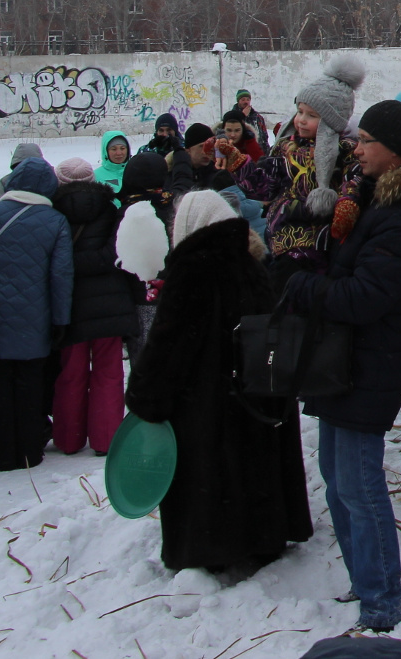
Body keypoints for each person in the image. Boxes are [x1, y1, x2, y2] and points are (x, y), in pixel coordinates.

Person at [281, 98, 401, 633]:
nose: (357, 147)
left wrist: (302, 285)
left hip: (372, 361)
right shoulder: (373, 197)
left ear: (394, 153)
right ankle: (365, 579)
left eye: (367, 140)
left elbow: (365, 297)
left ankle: (383, 600)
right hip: (345, 359)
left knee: (359, 482)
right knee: (335, 476)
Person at [124, 189, 312, 569]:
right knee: (249, 466)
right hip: (252, 401)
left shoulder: (193, 269)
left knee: (212, 475)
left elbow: (168, 344)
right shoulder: (252, 263)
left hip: (206, 403)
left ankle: (214, 547)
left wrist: (144, 395)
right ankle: (262, 537)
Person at [0, 156, 73, 471]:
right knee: (30, 386)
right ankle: (29, 451)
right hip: (35, 318)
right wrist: (60, 320)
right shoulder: (55, 221)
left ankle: (3, 453)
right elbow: (61, 276)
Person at [239, 55, 367, 294]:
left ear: (332, 120)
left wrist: (348, 201)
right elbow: (265, 188)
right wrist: (241, 167)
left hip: (320, 243)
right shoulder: (285, 148)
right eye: (300, 112)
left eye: (312, 115)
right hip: (281, 241)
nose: (301, 121)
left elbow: (357, 179)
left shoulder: (346, 150)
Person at [51, 158, 138, 455]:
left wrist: (68, 267)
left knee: (71, 373)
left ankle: (69, 438)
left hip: (70, 303)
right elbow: (115, 253)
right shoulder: (110, 208)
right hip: (110, 302)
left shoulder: (53, 211)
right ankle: (106, 438)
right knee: (109, 371)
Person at [115, 153, 173, 357]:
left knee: (144, 361)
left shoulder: (126, 212)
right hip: (172, 296)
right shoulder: (171, 206)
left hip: (138, 297)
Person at [169, 123, 245, 198]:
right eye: (201, 146)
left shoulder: (221, 176)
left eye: (210, 146)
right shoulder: (175, 175)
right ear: (188, 150)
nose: (206, 151)